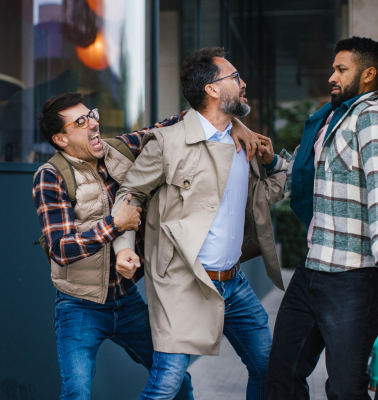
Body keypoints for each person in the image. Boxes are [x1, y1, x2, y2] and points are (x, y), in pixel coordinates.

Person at [32, 92, 259, 400]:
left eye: (92, 114)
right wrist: (115, 225)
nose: (93, 123)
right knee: (76, 392)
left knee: (176, 380)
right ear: (60, 138)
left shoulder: (120, 150)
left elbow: (175, 123)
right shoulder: (50, 176)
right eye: (81, 121)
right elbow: (61, 250)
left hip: (127, 301)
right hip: (79, 306)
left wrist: (234, 124)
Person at [110, 47, 287, 400]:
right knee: (167, 381)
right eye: (235, 77)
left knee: (269, 368)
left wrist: (272, 164)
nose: (243, 82)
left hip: (233, 282)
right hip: (182, 281)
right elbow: (130, 193)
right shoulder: (168, 142)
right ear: (212, 89)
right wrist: (125, 248)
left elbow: (265, 196)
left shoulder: (244, 143)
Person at [258, 36, 378, 399]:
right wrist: (272, 161)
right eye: (334, 68)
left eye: (341, 69)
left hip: (353, 278)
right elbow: (306, 176)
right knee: (282, 375)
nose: (332, 75)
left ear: (368, 74)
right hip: (313, 268)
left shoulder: (370, 116)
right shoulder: (332, 118)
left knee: (346, 389)